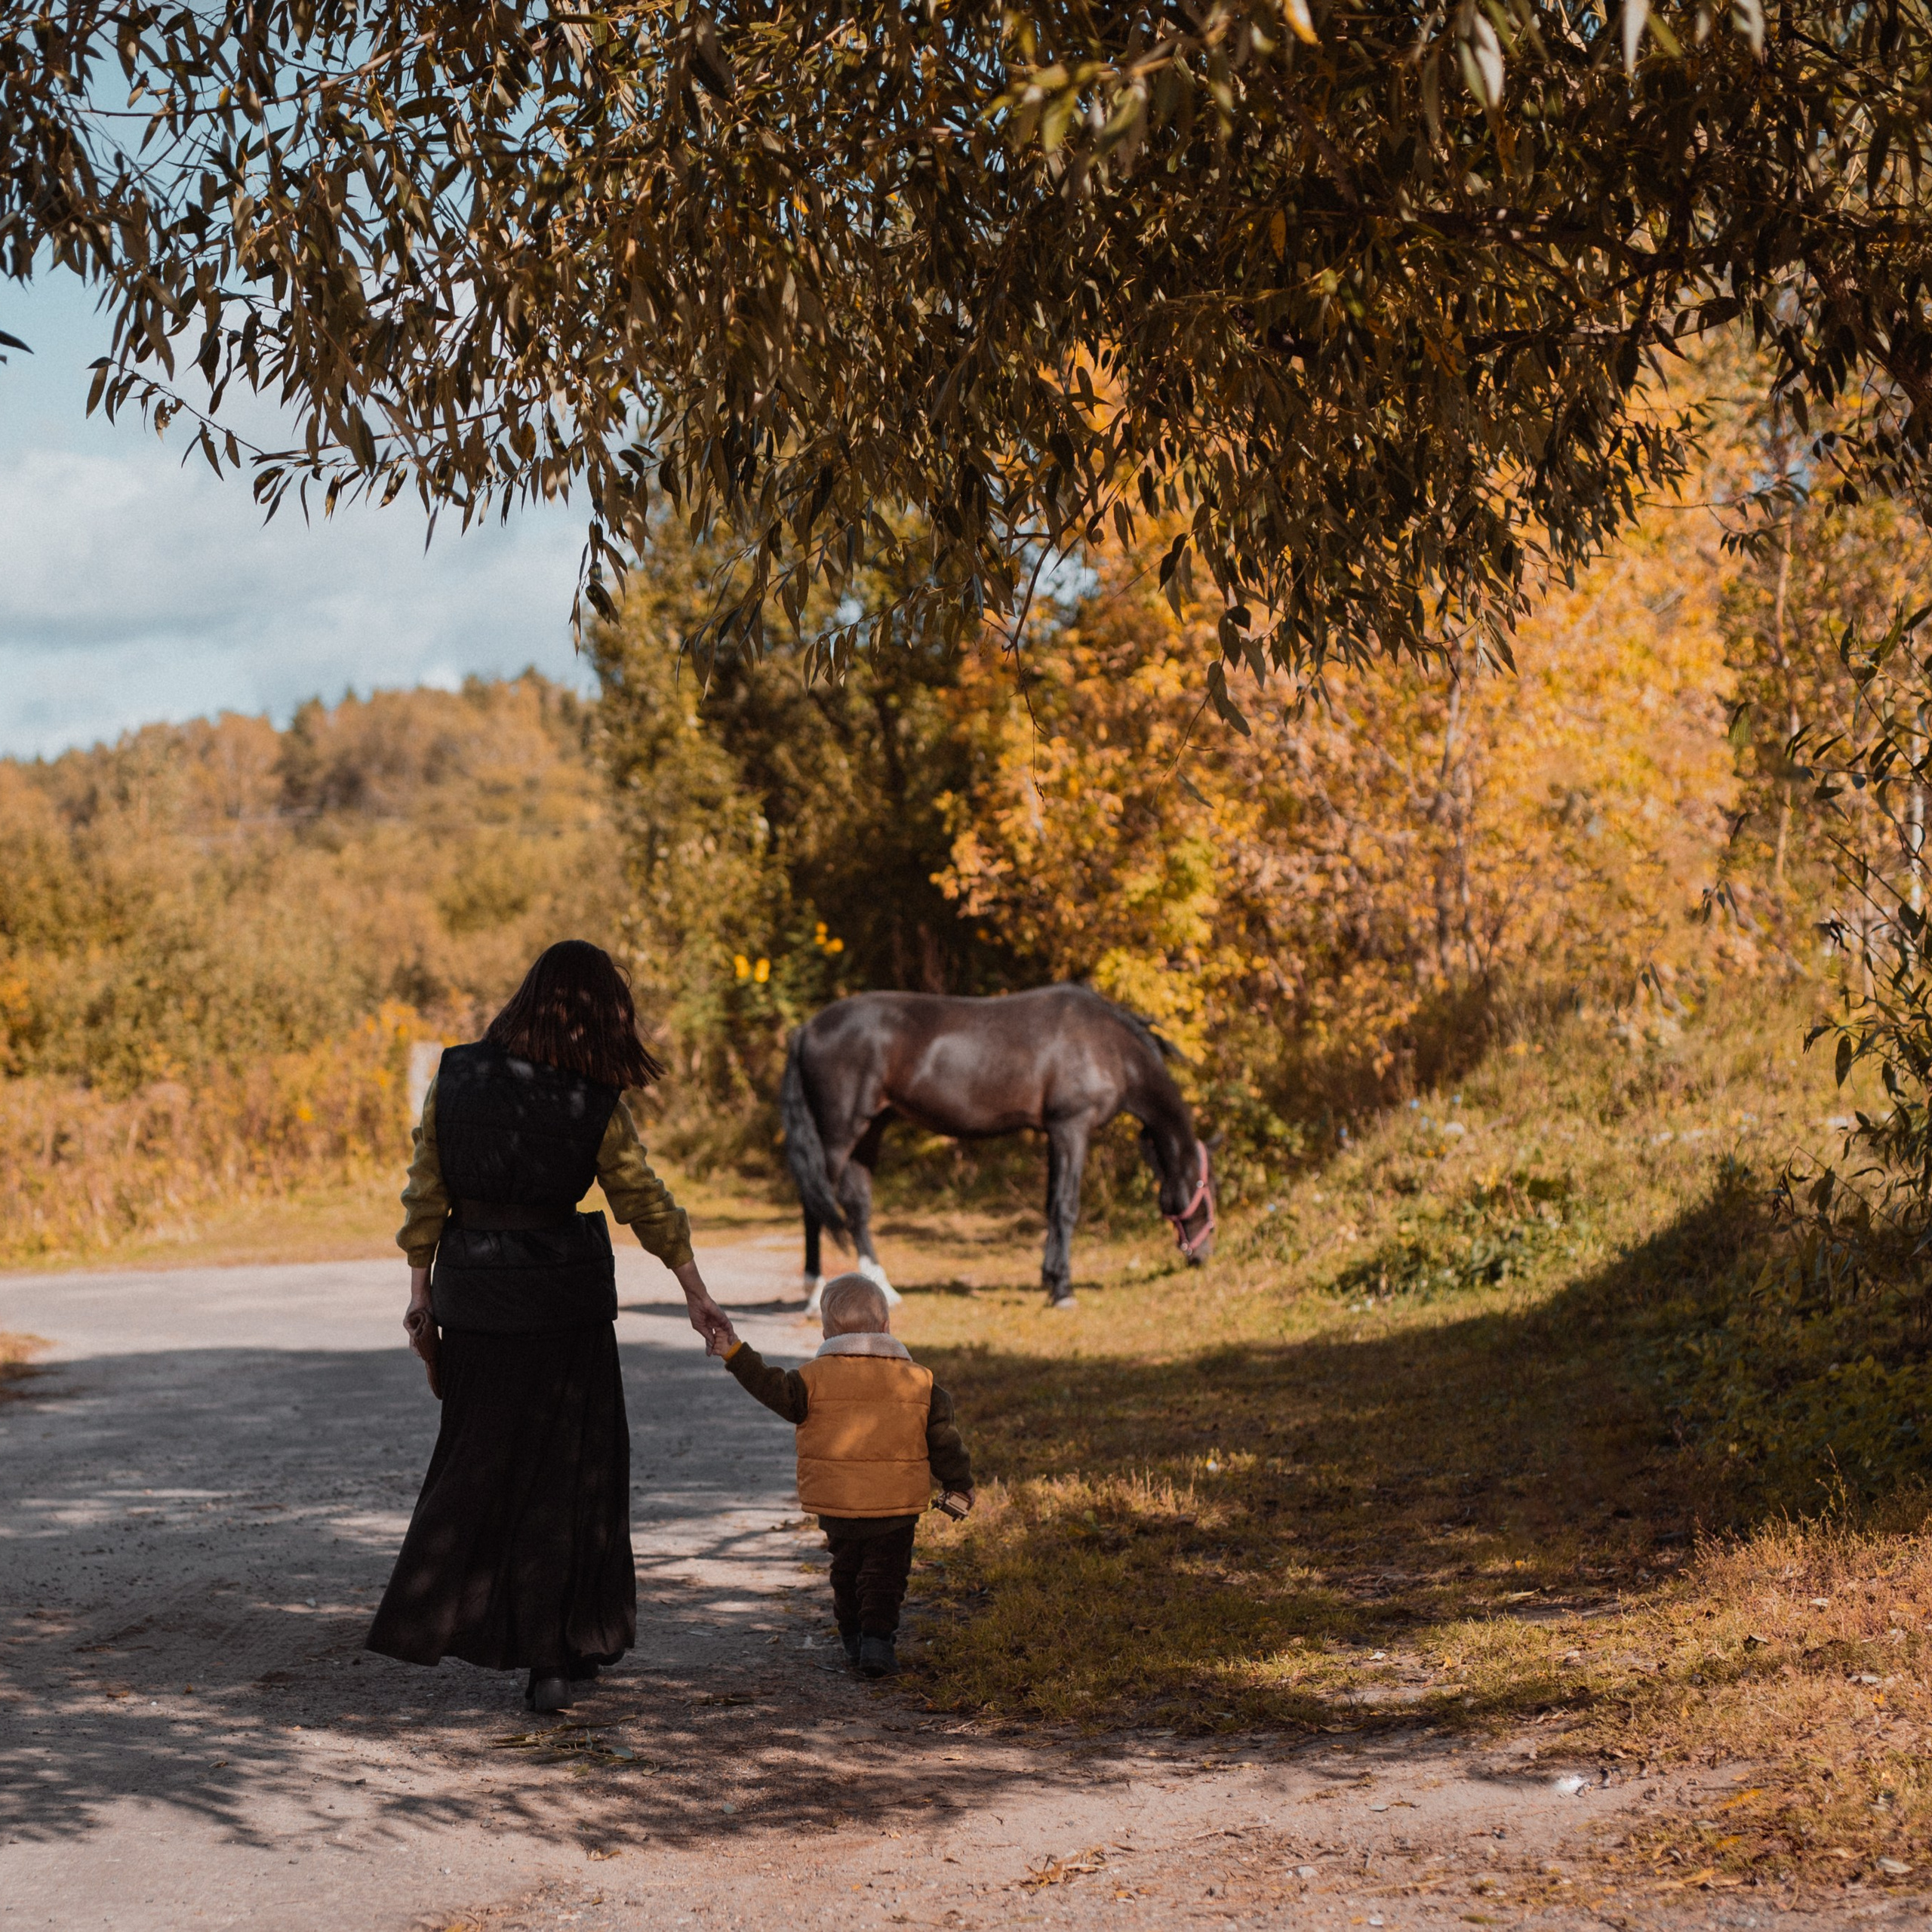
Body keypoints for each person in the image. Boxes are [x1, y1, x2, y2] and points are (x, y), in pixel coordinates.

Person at [367, 940, 735, 1715]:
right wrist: (695, 1291)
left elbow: (425, 1190)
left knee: (481, 1468)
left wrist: (420, 1292)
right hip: (564, 1307)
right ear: (598, 1013)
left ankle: (486, 1630)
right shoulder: (590, 1098)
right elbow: (643, 1198)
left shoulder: (456, 1073)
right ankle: (558, 1655)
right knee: (570, 1477)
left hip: (475, 1301)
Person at [719, 1272, 973, 1678]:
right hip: (895, 1504)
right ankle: (876, 1641)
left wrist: (735, 1353)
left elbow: (770, 1387)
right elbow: (944, 1440)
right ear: (887, 1327)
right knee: (885, 1573)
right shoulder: (920, 1382)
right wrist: (959, 1484)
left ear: (826, 1331)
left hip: (838, 1502)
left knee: (847, 1567)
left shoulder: (811, 1380)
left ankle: (851, 1636)